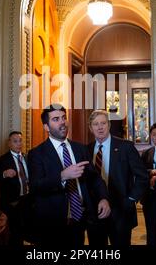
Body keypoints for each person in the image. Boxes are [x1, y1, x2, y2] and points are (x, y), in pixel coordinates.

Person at [27, 104, 110, 246]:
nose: (62, 122)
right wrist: (62, 176)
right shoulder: (36, 154)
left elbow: (94, 178)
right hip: (53, 223)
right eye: (56, 119)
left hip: (80, 219)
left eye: (64, 118)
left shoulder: (80, 149)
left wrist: (103, 198)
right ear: (46, 127)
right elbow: (36, 186)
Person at [87, 110, 148, 246]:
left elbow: (142, 176)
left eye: (103, 123)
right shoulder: (87, 150)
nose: (100, 127)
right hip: (95, 213)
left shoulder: (125, 146)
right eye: (95, 124)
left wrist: (131, 199)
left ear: (109, 125)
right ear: (91, 128)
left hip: (121, 212)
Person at [0, 131, 32, 245]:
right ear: (9, 143)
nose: (19, 143)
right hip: (12, 204)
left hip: (27, 201)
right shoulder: (2, 160)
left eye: (20, 141)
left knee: (27, 232)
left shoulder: (27, 158)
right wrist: (4, 174)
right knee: (14, 236)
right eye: (15, 141)